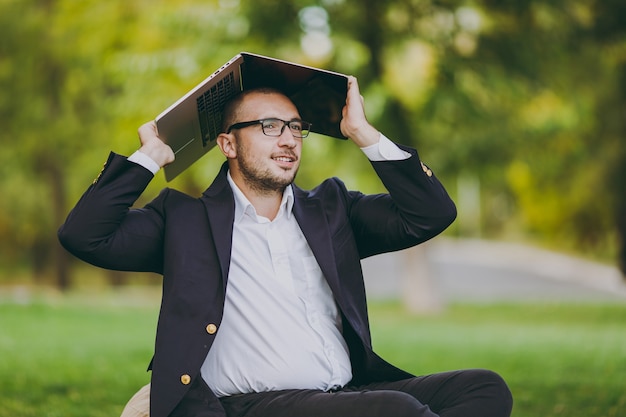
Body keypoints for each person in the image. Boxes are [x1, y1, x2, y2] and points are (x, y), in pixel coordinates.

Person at [58, 75, 513, 417]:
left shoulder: (332, 210)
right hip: (251, 406)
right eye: (270, 126)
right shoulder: (184, 220)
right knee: (396, 412)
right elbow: (85, 235)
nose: (290, 139)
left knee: (484, 390)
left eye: (296, 128)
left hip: (343, 396)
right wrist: (147, 159)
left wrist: (363, 134)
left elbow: (431, 214)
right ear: (227, 143)